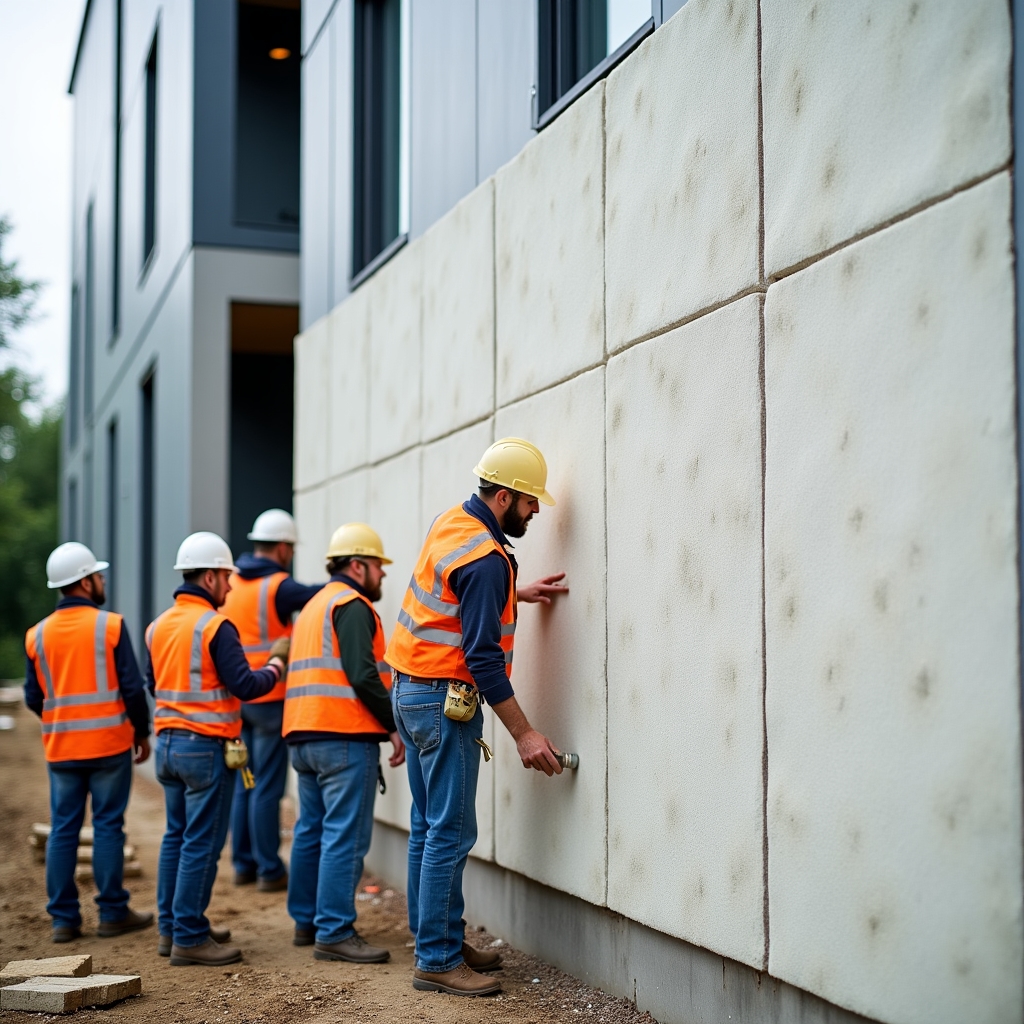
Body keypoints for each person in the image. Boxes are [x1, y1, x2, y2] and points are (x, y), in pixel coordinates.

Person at [385, 437, 570, 996]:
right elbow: (483, 660)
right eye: (531, 500)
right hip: (446, 703)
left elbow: (457, 595)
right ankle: (438, 960)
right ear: (507, 495)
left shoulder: (454, 523)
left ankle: (435, 938)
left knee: (427, 828)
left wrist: (514, 591)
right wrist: (525, 733)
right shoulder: (487, 561)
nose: (536, 510)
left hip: (409, 692)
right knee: (451, 832)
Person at [146, 532, 288, 967]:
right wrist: (277, 665)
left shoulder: (158, 626)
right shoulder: (214, 626)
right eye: (226, 578)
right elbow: (245, 685)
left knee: (176, 836)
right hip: (204, 748)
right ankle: (189, 935)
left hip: (167, 745)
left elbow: (154, 685)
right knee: (202, 842)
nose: (230, 587)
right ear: (209, 577)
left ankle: (173, 928)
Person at [283, 523, 406, 964]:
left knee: (310, 831)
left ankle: (308, 921)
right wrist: (394, 725)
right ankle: (334, 930)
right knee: (344, 837)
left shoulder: (314, 605)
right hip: (343, 737)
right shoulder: (351, 605)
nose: (382, 575)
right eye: (377, 566)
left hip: (303, 735)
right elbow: (362, 675)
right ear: (357, 565)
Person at [23, 542, 154, 944]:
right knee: (108, 826)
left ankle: (64, 920)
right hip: (109, 745)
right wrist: (141, 731)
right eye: (98, 575)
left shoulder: (37, 635)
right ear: (84, 581)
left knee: (64, 829)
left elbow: (33, 696)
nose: (103, 581)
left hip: (62, 749)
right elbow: (132, 689)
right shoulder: (110, 625)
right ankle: (112, 912)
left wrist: (62, 719)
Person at [221, 508, 323, 892]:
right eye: (291, 548)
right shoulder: (278, 586)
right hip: (269, 697)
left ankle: (244, 863)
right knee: (266, 784)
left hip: (236, 697)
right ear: (282, 547)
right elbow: (322, 593)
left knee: (245, 779)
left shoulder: (230, 581)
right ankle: (268, 869)